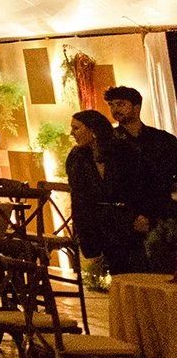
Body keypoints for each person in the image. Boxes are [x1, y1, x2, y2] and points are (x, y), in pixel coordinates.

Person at [67, 109, 145, 273]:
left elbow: (140, 185)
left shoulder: (123, 152)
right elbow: (79, 198)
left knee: (138, 272)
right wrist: (87, 240)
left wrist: (144, 214)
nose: (72, 133)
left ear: (93, 130)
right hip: (99, 223)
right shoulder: (77, 157)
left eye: (76, 128)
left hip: (129, 220)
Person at [106, 85, 177, 249]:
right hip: (127, 219)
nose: (115, 109)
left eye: (121, 104)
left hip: (163, 215)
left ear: (136, 107)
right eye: (112, 105)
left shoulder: (162, 139)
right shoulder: (110, 143)